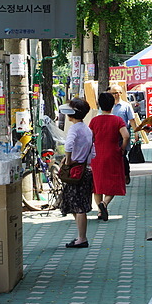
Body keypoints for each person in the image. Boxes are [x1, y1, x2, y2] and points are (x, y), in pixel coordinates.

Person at [59, 98, 95, 248]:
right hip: (85, 170)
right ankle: (81, 236)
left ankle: (82, 238)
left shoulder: (74, 129)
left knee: (78, 206)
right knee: (79, 205)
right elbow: (93, 153)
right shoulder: (87, 129)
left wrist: (68, 160)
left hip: (75, 172)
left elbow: (68, 144)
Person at [90, 91, 129, 221]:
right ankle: (104, 204)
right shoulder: (117, 120)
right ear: (113, 104)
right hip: (113, 154)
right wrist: (122, 148)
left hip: (97, 155)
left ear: (100, 105)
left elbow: (90, 138)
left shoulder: (94, 121)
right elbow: (126, 136)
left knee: (97, 184)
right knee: (113, 182)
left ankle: (100, 211)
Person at [109, 84, 135, 185]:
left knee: (122, 156)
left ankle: (126, 174)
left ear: (121, 93)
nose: (115, 95)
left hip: (124, 136)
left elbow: (132, 120)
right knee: (112, 157)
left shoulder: (126, 106)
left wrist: (136, 133)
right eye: (112, 93)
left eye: (116, 93)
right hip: (111, 136)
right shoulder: (108, 106)